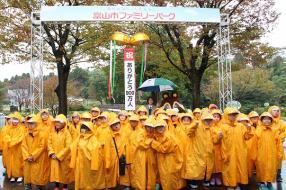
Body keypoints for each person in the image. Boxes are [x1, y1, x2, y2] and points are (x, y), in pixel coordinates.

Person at [220, 107, 253, 189]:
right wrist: (224, 153)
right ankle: (231, 185)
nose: (233, 117)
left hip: (240, 152)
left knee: (239, 168)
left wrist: (249, 129)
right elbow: (221, 142)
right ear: (226, 115)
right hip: (229, 153)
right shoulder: (223, 127)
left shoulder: (240, 126)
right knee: (230, 169)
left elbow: (246, 137)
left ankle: (237, 183)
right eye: (231, 115)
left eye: (234, 115)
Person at [70, 121, 105, 190]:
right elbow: (73, 146)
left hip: (88, 164)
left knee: (88, 180)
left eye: (85, 128)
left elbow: (95, 150)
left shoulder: (93, 139)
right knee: (80, 178)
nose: (83, 129)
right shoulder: (79, 137)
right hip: (80, 163)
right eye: (82, 127)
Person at [151, 118, 185, 190]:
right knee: (164, 176)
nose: (160, 128)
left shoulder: (169, 136)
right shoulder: (158, 135)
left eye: (161, 126)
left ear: (165, 126)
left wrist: (153, 143)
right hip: (164, 160)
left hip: (170, 160)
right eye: (158, 127)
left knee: (169, 177)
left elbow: (164, 149)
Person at [256, 112, 284, 190]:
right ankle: (261, 183)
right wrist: (254, 154)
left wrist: (280, 153)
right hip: (261, 154)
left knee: (271, 168)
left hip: (272, 154)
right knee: (261, 168)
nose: (267, 121)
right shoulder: (258, 130)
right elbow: (254, 144)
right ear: (261, 120)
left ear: (271, 120)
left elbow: (279, 144)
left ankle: (269, 183)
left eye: (269, 119)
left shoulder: (275, 131)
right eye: (265, 119)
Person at [22, 116, 49, 190]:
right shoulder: (26, 135)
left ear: (36, 124)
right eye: (29, 124)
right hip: (29, 160)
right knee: (31, 177)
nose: (30, 125)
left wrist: (33, 156)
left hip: (39, 159)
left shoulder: (41, 135)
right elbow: (23, 146)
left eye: (32, 124)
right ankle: (30, 185)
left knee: (39, 177)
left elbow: (42, 146)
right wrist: (27, 156)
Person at [48, 114, 74, 190]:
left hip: (64, 157)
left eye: (59, 122)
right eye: (56, 122)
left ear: (63, 124)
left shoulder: (67, 133)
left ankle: (65, 186)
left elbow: (68, 146)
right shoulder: (52, 133)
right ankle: (56, 185)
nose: (57, 124)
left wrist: (59, 155)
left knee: (64, 171)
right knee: (56, 172)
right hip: (54, 156)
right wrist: (52, 153)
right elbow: (49, 143)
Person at [104, 118, 130, 189]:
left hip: (122, 161)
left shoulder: (125, 135)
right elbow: (107, 150)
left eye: (117, 124)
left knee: (123, 180)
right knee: (113, 180)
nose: (116, 126)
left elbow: (127, 148)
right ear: (111, 127)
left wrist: (128, 161)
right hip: (113, 161)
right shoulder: (108, 136)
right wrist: (107, 163)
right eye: (113, 125)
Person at [4, 113, 26, 183]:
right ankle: (13, 176)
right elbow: (6, 136)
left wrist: (13, 142)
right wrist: (10, 141)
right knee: (11, 162)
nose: (15, 121)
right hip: (10, 149)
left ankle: (20, 175)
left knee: (19, 162)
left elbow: (21, 137)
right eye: (14, 119)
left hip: (18, 148)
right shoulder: (9, 128)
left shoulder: (21, 129)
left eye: (16, 120)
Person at [268, 106, 286, 182]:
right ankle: (269, 175)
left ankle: (278, 175)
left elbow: (284, 132)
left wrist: (277, 138)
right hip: (268, 144)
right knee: (268, 159)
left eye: (278, 110)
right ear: (270, 112)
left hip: (278, 144)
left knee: (278, 159)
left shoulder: (282, 122)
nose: (276, 112)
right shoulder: (267, 120)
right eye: (274, 110)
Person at [210, 109, 223, 186]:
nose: (216, 118)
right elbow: (212, 139)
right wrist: (218, 137)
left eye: (217, 117)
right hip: (212, 148)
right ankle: (212, 177)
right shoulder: (210, 126)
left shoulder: (222, 126)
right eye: (214, 116)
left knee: (219, 163)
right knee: (212, 163)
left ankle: (217, 177)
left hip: (220, 148)